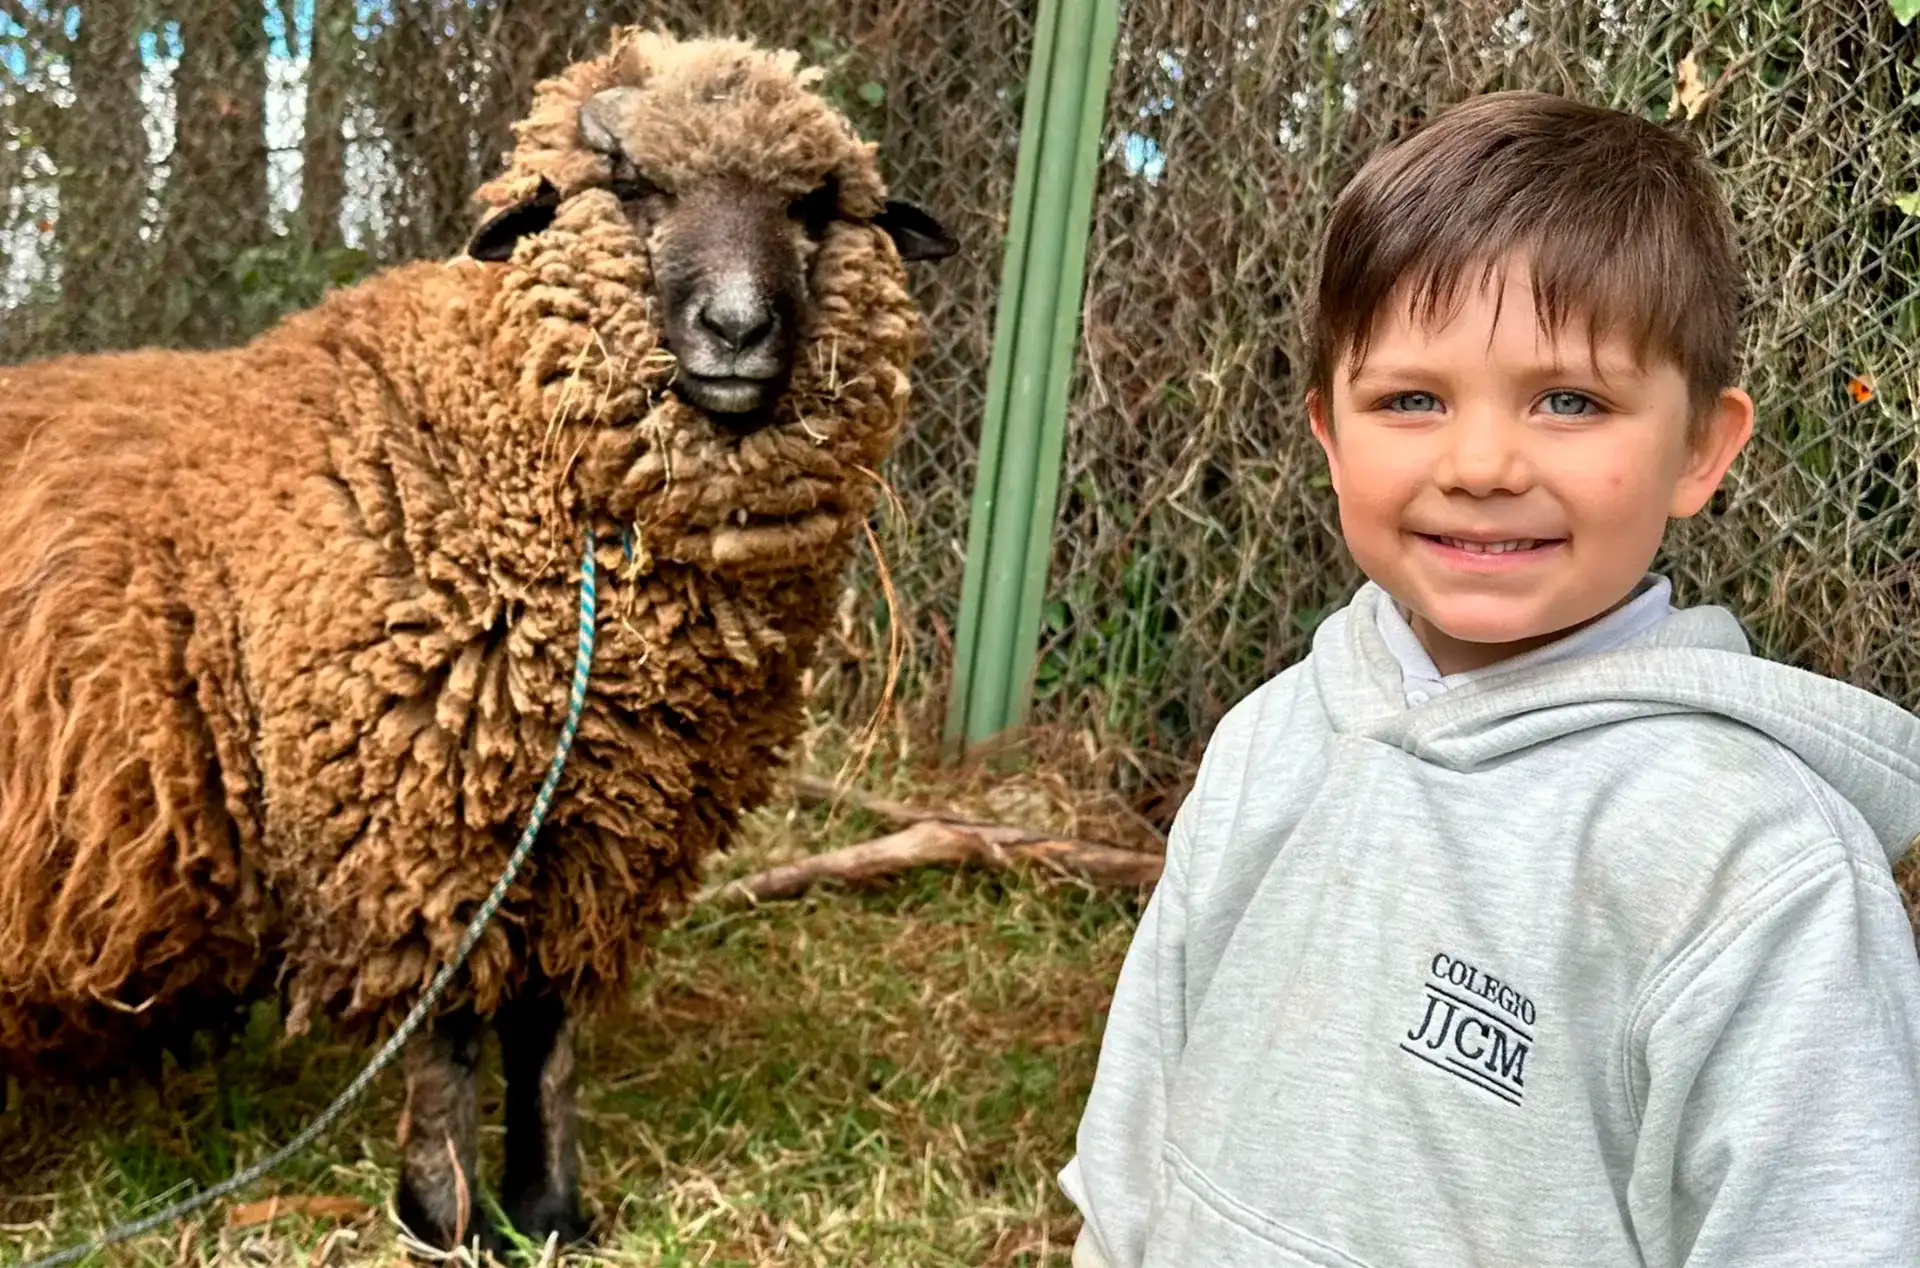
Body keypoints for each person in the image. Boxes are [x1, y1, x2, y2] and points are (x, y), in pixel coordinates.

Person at [1059, 90, 1920, 1267]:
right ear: (1329, 433)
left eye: (1571, 400)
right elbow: (1139, 1124)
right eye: (1411, 399)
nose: (1478, 464)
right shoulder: (1272, 737)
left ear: (1702, 448)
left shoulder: (1755, 862)